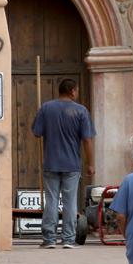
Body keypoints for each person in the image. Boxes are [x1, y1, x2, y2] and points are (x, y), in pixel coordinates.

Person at [32, 78, 95, 249]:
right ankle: (68, 239)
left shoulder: (46, 108)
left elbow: (37, 133)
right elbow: (87, 140)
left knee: (51, 201)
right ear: (73, 91)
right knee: (70, 201)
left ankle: (49, 239)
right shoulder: (81, 111)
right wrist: (90, 163)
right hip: (72, 164)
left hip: (51, 162)